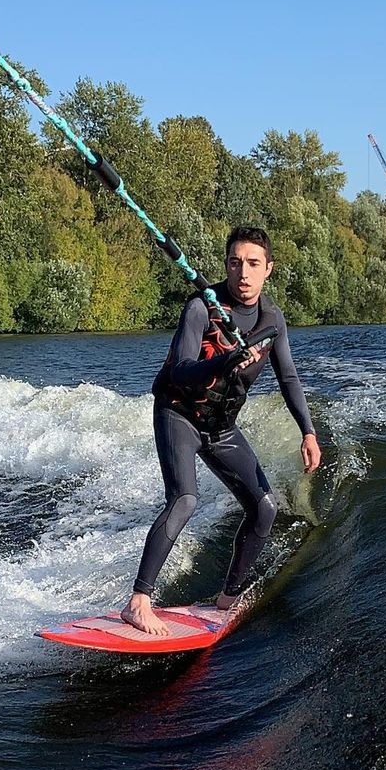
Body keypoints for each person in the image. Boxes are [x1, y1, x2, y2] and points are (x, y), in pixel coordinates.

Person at [121, 226, 321, 635]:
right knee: (185, 500)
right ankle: (138, 602)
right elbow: (181, 369)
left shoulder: (273, 320)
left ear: (269, 269)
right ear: (226, 266)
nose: (242, 273)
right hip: (179, 415)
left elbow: (289, 378)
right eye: (235, 263)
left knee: (264, 507)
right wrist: (226, 361)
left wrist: (308, 432)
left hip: (221, 427)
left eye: (252, 264)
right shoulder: (201, 308)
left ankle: (225, 600)